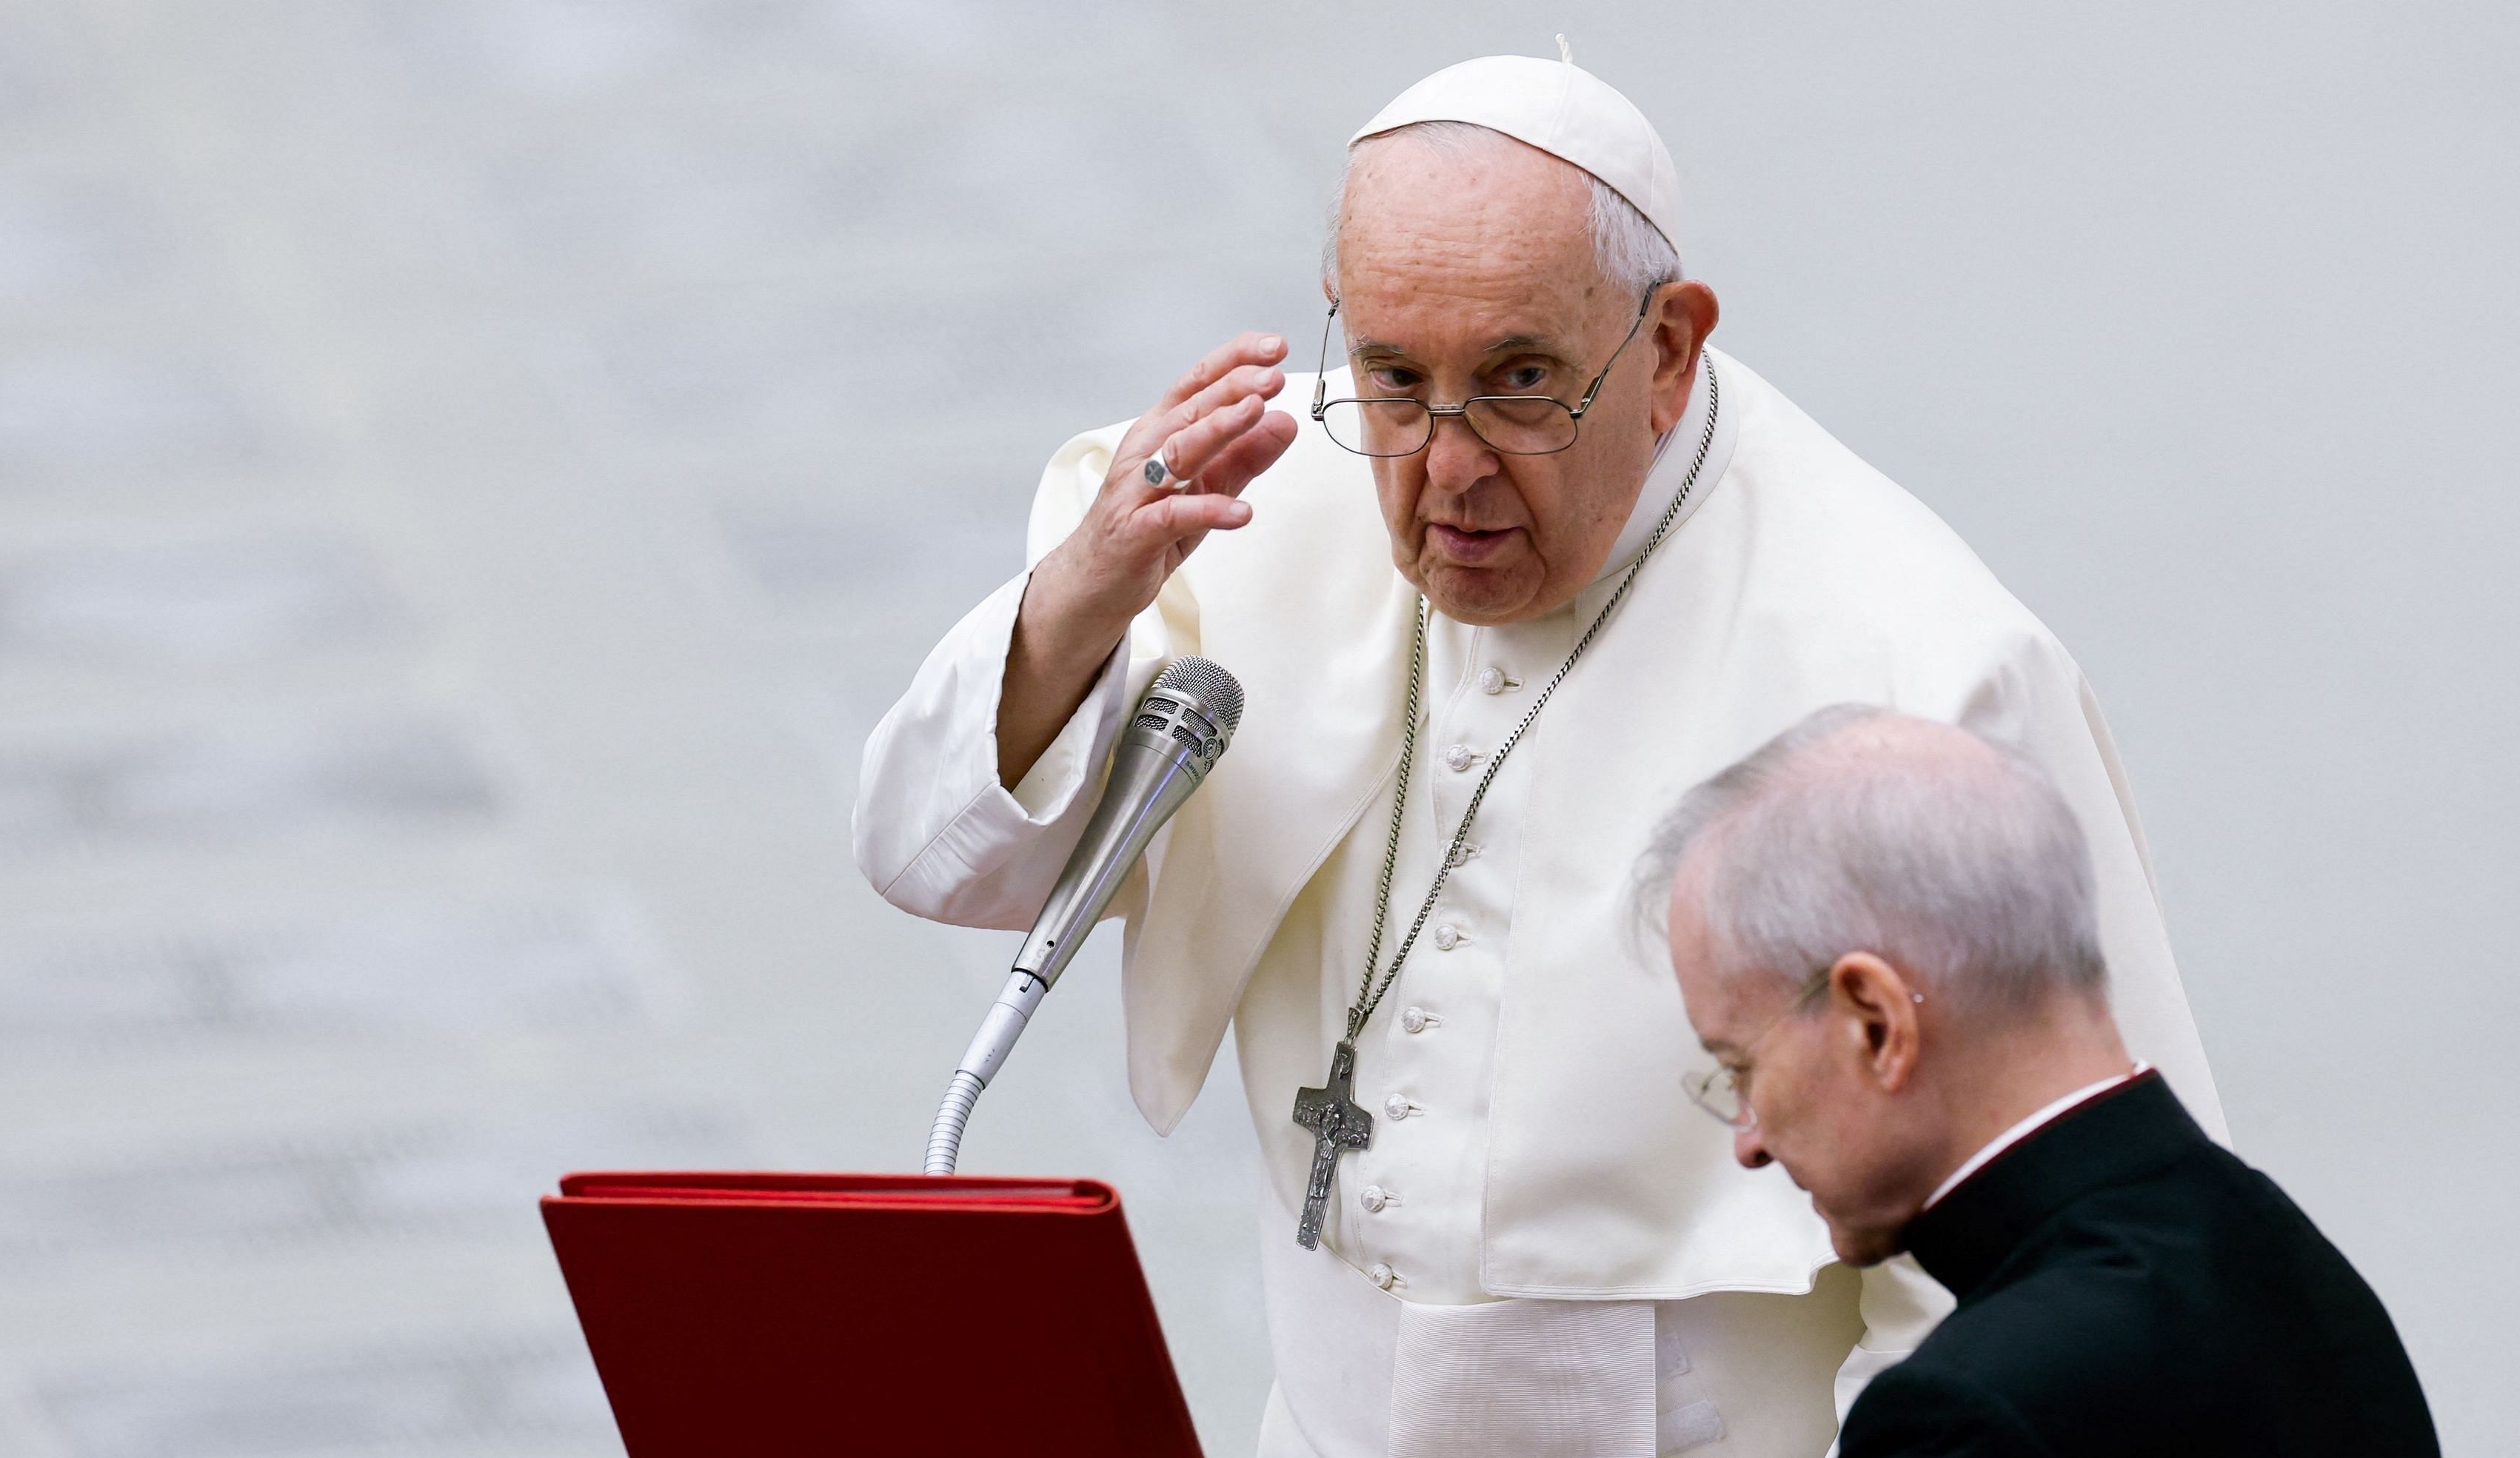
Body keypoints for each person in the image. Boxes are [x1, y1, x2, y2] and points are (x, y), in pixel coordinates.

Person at [855, 49, 2223, 1458]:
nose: (1445, 469)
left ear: (1670, 350)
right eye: (1393, 377)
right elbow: (922, 852)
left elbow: (2067, 1237)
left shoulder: (1915, 660)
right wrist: (1074, 600)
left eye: (1519, 383)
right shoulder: (1250, 520)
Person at [1642, 706, 2438, 1457]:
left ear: (1876, 1023)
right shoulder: (2287, 1263)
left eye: (1738, 1066)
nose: (1749, 1140)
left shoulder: (1970, 1411)